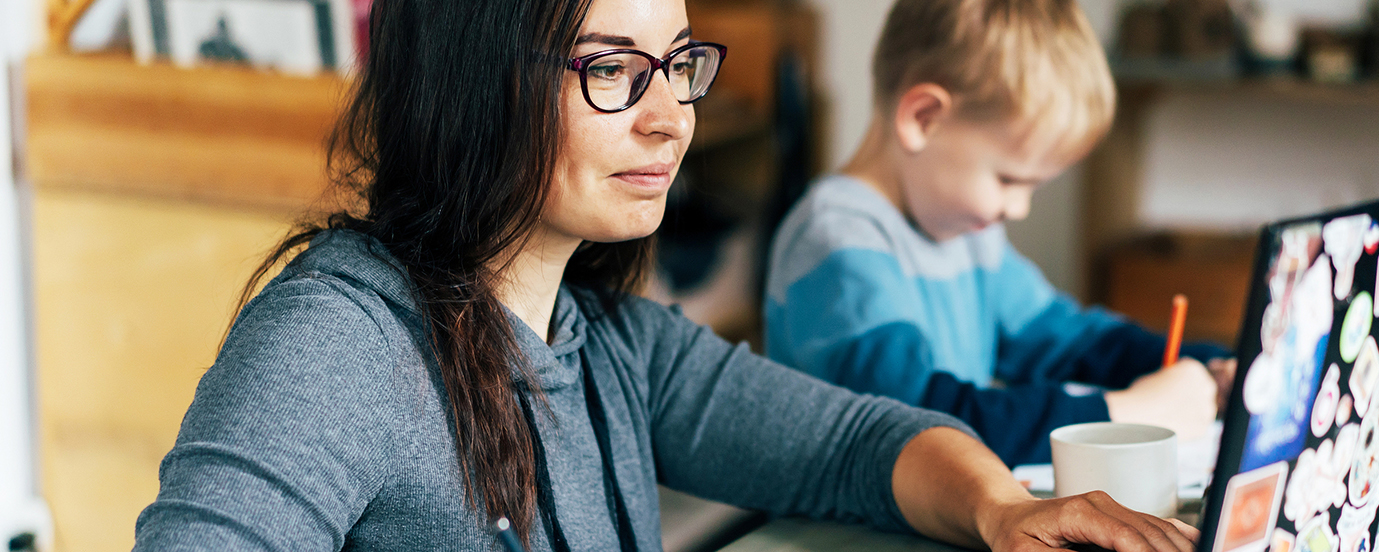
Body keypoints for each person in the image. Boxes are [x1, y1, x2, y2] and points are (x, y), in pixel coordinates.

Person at [132, 0, 1201, 550]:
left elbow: (855, 440)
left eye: (678, 64)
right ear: (472, 83)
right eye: (610, 71)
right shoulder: (339, 340)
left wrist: (998, 512)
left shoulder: (608, 342)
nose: (670, 116)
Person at [764, 0, 1236, 468]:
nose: (1019, 207)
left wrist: (1210, 368)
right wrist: (1127, 413)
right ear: (923, 118)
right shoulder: (837, 241)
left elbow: (1071, 342)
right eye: (1009, 180)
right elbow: (924, 425)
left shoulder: (964, 230)